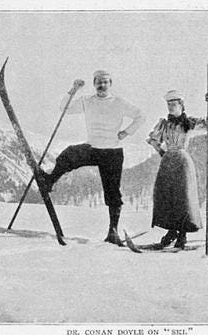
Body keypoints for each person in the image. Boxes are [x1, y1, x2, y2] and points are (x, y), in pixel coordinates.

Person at [41, 70, 145, 246]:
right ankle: (50, 180)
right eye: (98, 82)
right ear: (94, 84)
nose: (102, 85)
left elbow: (141, 115)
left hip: (112, 151)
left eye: (105, 82)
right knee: (69, 154)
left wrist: (126, 132)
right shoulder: (87, 101)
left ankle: (113, 232)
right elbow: (64, 108)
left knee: (112, 192)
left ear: (110, 84)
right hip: (93, 147)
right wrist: (73, 90)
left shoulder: (119, 103)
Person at [146, 90, 208, 249]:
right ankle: (172, 231)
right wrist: (162, 153)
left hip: (183, 162)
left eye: (174, 104)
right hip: (167, 162)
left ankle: (182, 234)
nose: (171, 107)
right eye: (169, 104)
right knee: (167, 196)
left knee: (183, 197)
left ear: (181, 105)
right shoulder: (164, 124)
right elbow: (154, 141)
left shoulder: (188, 122)